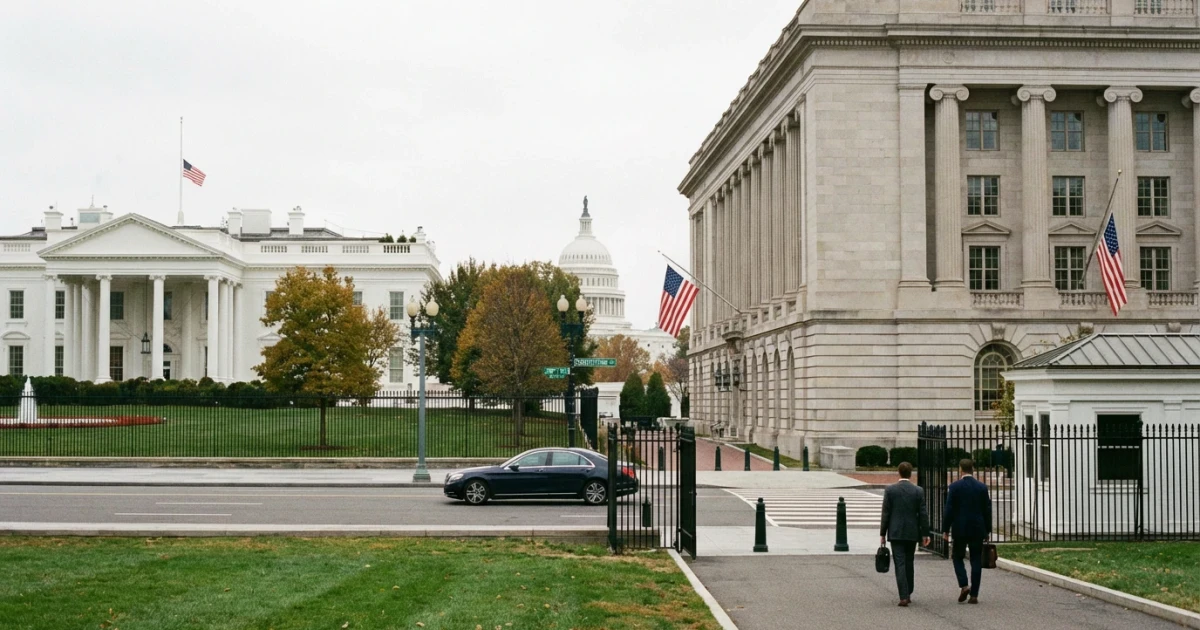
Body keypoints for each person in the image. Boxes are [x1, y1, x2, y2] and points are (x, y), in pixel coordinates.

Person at [879, 461, 930, 607]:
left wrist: (883, 533)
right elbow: (923, 514)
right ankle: (909, 590)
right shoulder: (918, 491)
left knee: (899, 563)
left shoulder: (890, 490)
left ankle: (903, 595)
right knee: (909, 562)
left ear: (898, 472)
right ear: (911, 473)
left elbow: (886, 513)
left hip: (895, 531)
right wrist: (925, 533)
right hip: (912, 531)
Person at [942, 458, 993, 604]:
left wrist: (945, 529)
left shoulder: (954, 487)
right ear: (973, 469)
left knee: (957, 557)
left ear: (960, 469)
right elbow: (987, 510)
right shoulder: (982, 487)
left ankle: (964, 585)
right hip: (977, 528)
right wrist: (987, 530)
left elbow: (949, 510)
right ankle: (975, 594)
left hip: (960, 528)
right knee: (976, 559)